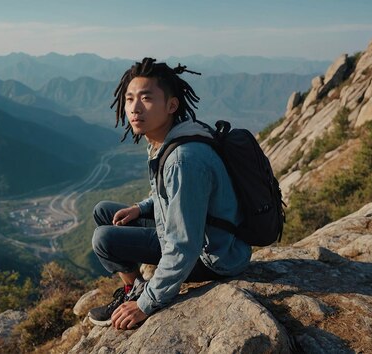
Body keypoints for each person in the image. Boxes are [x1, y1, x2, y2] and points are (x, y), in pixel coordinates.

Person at [87, 57, 252, 330]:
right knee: (104, 211)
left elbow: (184, 246)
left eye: (146, 98)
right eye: (129, 99)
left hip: (213, 256)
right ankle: (134, 286)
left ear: (172, 105)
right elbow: (171, 197)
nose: (134, 108)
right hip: (204, 235)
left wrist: (146, 304)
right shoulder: (169, 139)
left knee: (104, 239)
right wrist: (141, 208)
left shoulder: (183, 159)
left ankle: (136, 294)